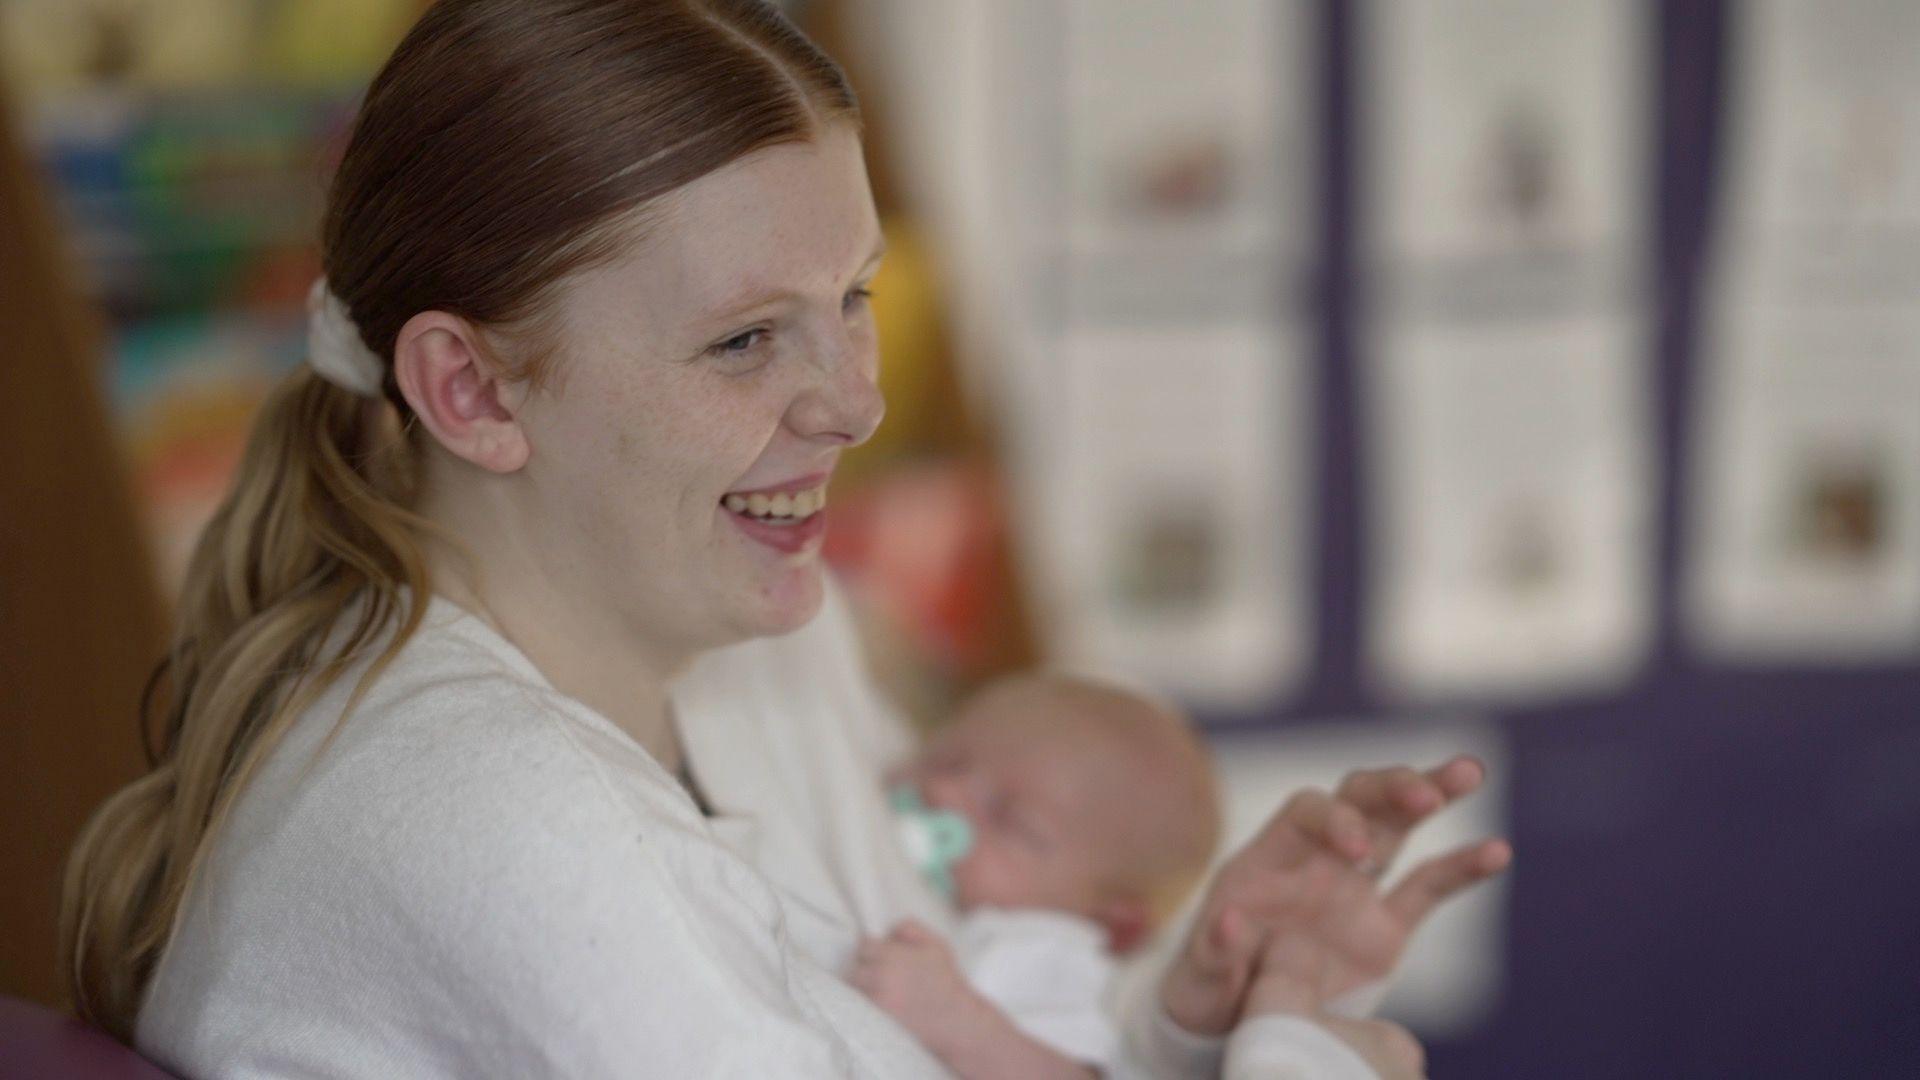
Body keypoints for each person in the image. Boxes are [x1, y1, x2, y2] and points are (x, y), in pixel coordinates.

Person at [58, 1, 1510, 1076]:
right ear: (473, 389)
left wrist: (1191, 1011)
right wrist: (1315, 1060)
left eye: (856, 299)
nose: (857, 405)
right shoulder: (493, 820)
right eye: (748, 339)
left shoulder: (775, 663)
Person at [855, 673, 1222, 1075]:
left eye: (1007, 820)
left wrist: (959, 1023)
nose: (943, 792)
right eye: (948, 759)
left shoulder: (1053, 952)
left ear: (1111, 924)